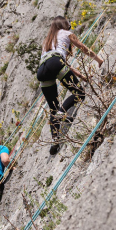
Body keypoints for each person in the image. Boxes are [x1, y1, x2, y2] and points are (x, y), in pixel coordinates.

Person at [36, 16, 103, 154]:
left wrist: (81, 77)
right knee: (79, 93)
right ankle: (62, 111)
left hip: (42, 71)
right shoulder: (66, 33)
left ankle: (55, 141)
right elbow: (82, 48)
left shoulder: (47, 41)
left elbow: (62, 65)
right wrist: (99, 60)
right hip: (56, 63)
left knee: (53, 109)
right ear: (65, 25)